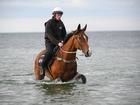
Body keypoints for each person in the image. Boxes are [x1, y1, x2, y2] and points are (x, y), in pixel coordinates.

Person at [40, 7, 67, 79]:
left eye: (60, 15)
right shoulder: (49, 23)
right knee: (50, 52)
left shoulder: (61, 23)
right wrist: (58, 43)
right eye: (58, 14)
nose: (60, 16)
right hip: (50, 42)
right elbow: (49, 35)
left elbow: (64, 34)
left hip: (59, 43)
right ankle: (42, 66)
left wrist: (63, 41)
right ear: (54, 14)